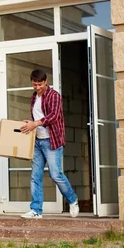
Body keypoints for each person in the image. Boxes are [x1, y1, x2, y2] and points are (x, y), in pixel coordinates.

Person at [19, 69, 79, 219]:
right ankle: (36, 210)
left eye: (40, 84)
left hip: (52, 140)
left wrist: (35, 124)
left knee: (56, 175)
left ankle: (72, 200)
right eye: (34, 84)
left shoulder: (54, 96)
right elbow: (36, 117)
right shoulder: (34, 97)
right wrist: (30, 124)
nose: (37, 87)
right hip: (38, 141)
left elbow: (53, 116)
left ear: (46, 81)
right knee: (35, 176)